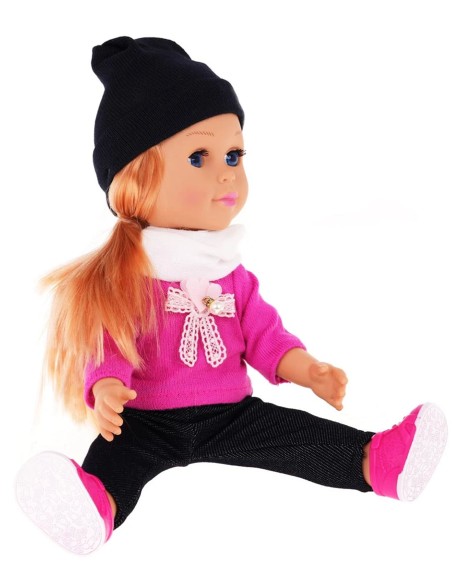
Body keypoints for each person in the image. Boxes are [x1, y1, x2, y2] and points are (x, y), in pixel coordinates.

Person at [16, 36, 448, 555]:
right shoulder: (131, 276)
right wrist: (107, 387)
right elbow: (108, 339)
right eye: (198, 156)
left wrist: (306, 369)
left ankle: (379, 463)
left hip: (230, 413)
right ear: (135, 179)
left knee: (295, 436)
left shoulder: (231, 273)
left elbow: (264, 334)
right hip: (146, 419)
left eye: (234, 155)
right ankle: (96, 508)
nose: (227, 172)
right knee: (115, 460)